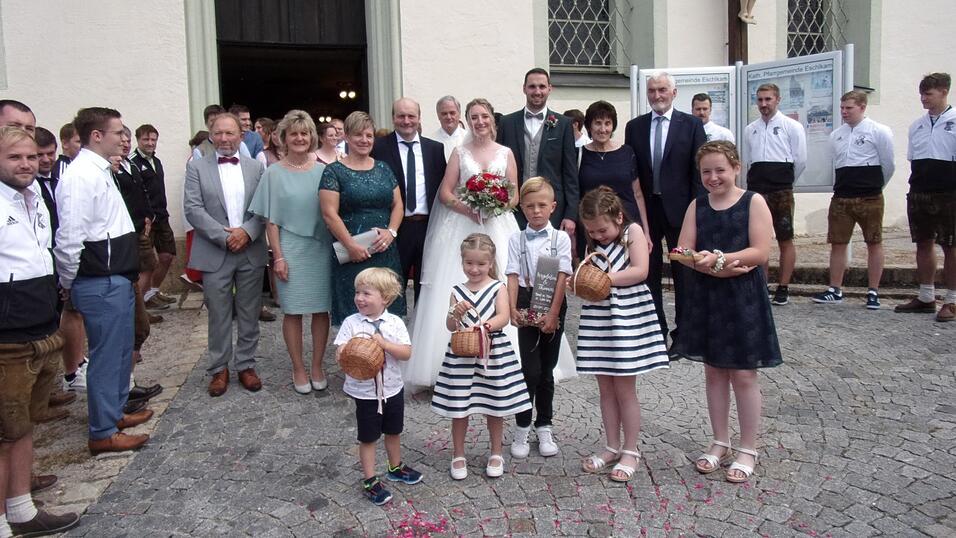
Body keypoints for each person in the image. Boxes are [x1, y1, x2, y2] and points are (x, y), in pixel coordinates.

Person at [671, 141, 782, 484]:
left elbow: (760, 251)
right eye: (706, 171)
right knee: (714, 372)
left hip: (743, 296)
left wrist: (720, 261)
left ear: (735, 167)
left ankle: (748, 446)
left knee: (744, 375)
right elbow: (681, 250)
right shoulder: (697, 205)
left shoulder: (754, 202)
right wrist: (706, 267)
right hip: (708, 295)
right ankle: (720, 440)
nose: (713, 177)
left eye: (720, 169)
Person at [54, 107, 152, 454]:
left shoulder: (100, 170)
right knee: (106, 356)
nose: (123, 139)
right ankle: (102, 431)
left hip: (117, 275)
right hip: (100, 278)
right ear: (96, 136)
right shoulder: (81, 175)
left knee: (120, 351)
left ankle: (113, 414)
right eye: (117, 133)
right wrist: (69, 280)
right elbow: (70, 238)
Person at [0, 126, 82, 538]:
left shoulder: (35, 198)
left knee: (24, 427)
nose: (27, 164)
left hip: (40, 331)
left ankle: (21, 511)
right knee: (2, 432)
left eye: (31, 156)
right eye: (15, 157)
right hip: (7, 339)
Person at [405, 98, 520, 387]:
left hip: (498, 226)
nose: (479, 121)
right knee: (455, 282)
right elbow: (445, 192)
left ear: (492, 119)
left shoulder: (505, 153)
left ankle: (504, 359)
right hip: (462, 226)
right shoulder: (459, 152)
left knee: (504, 282)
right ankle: (449, 360)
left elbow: (515, 193)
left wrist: (498, 205)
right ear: (466, 121)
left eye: (484, 116)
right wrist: (467, 208)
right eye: (473, 117)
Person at [576, 186, 669, 482]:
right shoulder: (595, 242)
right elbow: (590, 272)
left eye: (602, 230)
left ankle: (631, 449)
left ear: (618, 217)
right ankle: (611, 446)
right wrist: (580, 281)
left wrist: (604, 279)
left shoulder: (633, 233)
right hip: (600, 317)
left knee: (625, 389)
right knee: (605, 387)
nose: (598, 236)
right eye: (592, 232)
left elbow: (640, 271)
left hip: (627, 316)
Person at [432, 233, 530, 479]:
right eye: (469, 263)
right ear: (462, 262)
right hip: (463, 356)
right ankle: (458, 454)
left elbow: (504, 317)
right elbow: (450, 326)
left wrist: (485, 326)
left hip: (492, 353)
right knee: (460, 408)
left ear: (491, 262)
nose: (474, 269)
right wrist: (455, 312)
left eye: (481, 264)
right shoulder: (457, 290)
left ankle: (496, 451)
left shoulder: (498, 287)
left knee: (494, 406)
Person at [183, 112, 268, 397]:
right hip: (214, 250)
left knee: (248, 311)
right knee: (218, 313)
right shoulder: (197, 167)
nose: (224, 139)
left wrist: (246, 232)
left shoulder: (256, 167)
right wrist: (225, 237)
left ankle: (246, 364)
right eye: (218, 133)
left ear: (240, 136)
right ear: (211, 134)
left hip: (250, 248)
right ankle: (218, 368)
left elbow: (263, 207)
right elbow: (193, 209)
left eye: (230, 133)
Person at [250, 110, 332, 394]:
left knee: (322, 310)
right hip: (290, 249)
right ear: (284, 137)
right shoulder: (273, 173)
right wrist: (279, 257)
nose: (299, 138)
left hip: (321, 249)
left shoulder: (324, 171)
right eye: (294, 133)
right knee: (294, 311)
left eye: (305, 133)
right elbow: (270, 221)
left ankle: (318, 365)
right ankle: (298, 367)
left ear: (312, 137)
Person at [624, 72, 707, 344]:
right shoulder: (634, 127)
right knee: (648, 273)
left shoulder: (691, 125)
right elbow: (633, 174)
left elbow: (699, 173)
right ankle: (655, 331)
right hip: (647, 212)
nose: (656, 96)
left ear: (674, 93)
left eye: (662, 90)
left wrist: (697, 211)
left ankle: (684, 335)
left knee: (684, 273)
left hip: (681, 212)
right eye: (651, 91)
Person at [333, 267, 421, 506]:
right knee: (369, 436)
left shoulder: (394, 323)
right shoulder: (352, 323)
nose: (359, 298)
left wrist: (384, 344)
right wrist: (346, 351)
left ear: (386, 298)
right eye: (357, 292)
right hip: (365, 393)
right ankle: (370, 479)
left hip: (392, 388)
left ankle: (395, 466)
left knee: (393, 430)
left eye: (366, 293)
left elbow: (406, 353)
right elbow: (340, 350)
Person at [505, 178, 572, 459]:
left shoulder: (562, 239)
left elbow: (562, 276)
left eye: (542, 205)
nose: (536, 211)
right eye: (530, 206)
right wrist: (511, 309)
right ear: (522, 208)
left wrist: (554, 313)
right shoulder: (515, 239)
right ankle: (522, 426)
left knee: (547, 370)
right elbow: (511, 275)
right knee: (529, 371)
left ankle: (544, 423)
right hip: (524, 302)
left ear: (553, 207)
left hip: (553, 304)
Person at [319, 111, 405, 325]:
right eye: (358, 135)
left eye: (369, 135)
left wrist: (391, 232)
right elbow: (329, 214)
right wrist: (351, 246)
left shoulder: (383, 168)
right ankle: (355, 357)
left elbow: (398, 205)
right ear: (346, 137)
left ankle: (387, 357)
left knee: (388, 315)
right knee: (354, 315)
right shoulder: (333, 172)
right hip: (351, 254)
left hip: (384, 250)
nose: (364, 140)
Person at [811, 91, 895, 309]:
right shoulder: (836, 135)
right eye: (842, 108)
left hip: (870, 196)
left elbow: (888, 164)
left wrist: (875, 186)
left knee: (873, 242)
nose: (844, 112)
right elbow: (834, 163)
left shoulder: (879, 131)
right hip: (842, 196)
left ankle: (873, 291)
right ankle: (835, 289)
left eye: (849, 108)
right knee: (838, 243)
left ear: (862, 107)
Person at [371, 98, 447, 307]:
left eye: (411, 116)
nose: (406, 121)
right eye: (401, 116)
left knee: (427, 289)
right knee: (391, 288)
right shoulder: (378, 148)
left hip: (428, 227)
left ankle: (420, 337)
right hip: (395, 229)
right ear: (393, 118)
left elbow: (442, 188)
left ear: (419, 118)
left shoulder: (435, 149)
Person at [895, 72, 956, 322]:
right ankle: (926, 295)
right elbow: (912, 159)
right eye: (921, 94)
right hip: (920, 190)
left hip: (949, 192)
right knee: (923, 242)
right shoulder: (916, 125)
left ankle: (952, 301)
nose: (923, 99)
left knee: (951, 245)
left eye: (928, 94)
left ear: (943, 92)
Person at [742, 82, 807, 306]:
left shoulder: (792, 126)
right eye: (760, 100)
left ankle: (783, 286)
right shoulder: (751, 129)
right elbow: (749, 160)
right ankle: (761, 284)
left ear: (777, 100)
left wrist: (785, 182)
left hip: (781, 189)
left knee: (785, 238)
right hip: (757, 190)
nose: (763, 104)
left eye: (768, 99)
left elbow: (800, 161)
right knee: (758, 238)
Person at [497, 68, 580, 234]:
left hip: (551, 207)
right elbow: (499, 167)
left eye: (542, 86)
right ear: (524, 89)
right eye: (532, 86)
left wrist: (571, 214)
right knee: (515, 255)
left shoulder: (563, 124)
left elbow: (570, 173)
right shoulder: (507, 122)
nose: (537, 91)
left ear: (550, 88)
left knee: (548, 258)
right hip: (514, 208)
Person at [578, 101, 652, 258]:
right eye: (598, 123)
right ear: (589, 126)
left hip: (626, 223)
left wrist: (645, 230)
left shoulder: (627, 152)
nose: (603, 129)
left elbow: (637, 193)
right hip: (594, 228)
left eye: (608, 123)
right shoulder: (579, 154)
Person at [131, 124, 177, 309]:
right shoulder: (133, 162)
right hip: (146, 222)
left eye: (153, 139)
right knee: (147, 263)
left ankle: (153, 292)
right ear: (138, 140)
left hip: (162, 216)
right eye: (146, 139)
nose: (150, 143)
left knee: (167, 256)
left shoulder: (156, 161)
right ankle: (142, 302)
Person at [431, 96, 468, 160]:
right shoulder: (431, 141)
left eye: (452, 113)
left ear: (459, 114)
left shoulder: (468, 138)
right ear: (438, 116)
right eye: (444, 114)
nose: (448, 117)